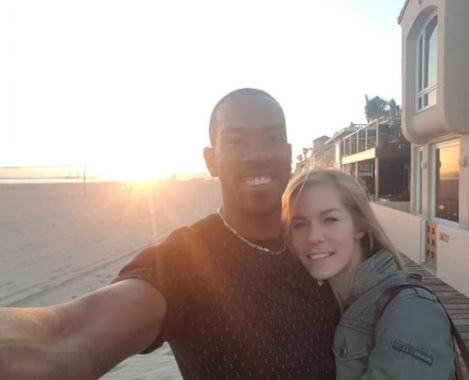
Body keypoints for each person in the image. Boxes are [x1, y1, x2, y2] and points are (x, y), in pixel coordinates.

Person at [0, 89, 340, 379]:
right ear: (211, 161)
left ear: (289, 152)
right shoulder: (188, 261)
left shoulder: (322, 239)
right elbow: (65, 334)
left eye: (272, 138)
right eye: (236, 142)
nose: (258, 155)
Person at [282, 169, 455, 379]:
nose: (313, 237)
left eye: (330, 220)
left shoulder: (410, 311)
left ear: (359, 227)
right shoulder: (320, 306)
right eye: (299, 224)